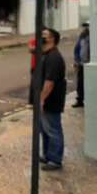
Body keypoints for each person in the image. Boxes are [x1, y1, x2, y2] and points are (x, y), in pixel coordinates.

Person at [38, 27, 67, 171]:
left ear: (52, 39)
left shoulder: (54, 57)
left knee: (53, 129)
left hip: (51, 99)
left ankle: (55, 160)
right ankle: (48, 155)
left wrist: (42, 99)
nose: (41, 37)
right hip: (47, 99)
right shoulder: (47, 54)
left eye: (44, 35)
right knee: (45, 129)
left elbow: (49, 82)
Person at [73, 21, 89, 108]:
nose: (86, 28)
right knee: (80, 83)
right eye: (85, 26)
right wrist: (76, 61)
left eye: (87, 26)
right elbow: (77, 49)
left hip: (90, 64)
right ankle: (80, 100)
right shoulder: (82, 36)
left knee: (89, 83)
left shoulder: (94, 37)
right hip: (82, 64)